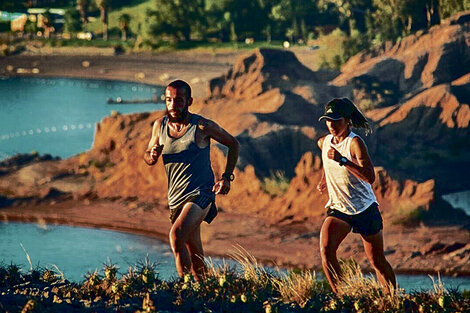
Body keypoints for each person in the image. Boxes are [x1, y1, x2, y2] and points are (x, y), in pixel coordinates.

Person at [144, 80, 239, 280]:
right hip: (175, 198)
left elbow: (233, 144)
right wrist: (151, 156)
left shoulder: (202, 126)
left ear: (189, 101)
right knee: (194, 251)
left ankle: (184, 288)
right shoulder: (159, 125)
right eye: (169, 100)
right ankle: (204, 289)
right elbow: (148, 156)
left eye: (178, 100)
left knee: (176, 236)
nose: (172, 105)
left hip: (201, 193)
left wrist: (226, 178)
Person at [316, 98, 396, 293]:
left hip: (365, 209)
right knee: (326, 251)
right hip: (339, 209)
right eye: (328, 120)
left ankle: (393, 300)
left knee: (376, 261)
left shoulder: (355, 143)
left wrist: (343, 160)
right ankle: (342, 297)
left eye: (336, 120)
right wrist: (324, 179)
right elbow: (328, 163)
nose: (331, 125)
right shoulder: (323, 142)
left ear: (348, 121)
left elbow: (370, 177)